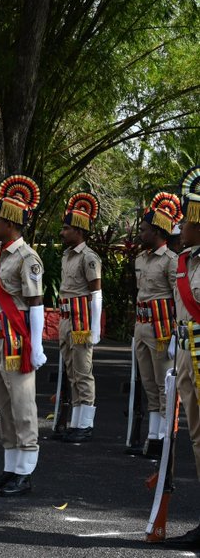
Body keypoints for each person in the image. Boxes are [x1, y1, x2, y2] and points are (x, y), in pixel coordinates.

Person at [0, 175, 46, 497]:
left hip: (17, 340)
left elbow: (35, 304)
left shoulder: (27, 258)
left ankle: (25, 471)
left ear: (11, 223)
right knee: (3, 406)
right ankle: (10, 467)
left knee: (22, 405)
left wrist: (37, 347)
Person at [164, 166, 200, 548]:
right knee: (197, 440)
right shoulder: (185, 260)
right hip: (188, 357)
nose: (180, 227)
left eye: (187, 220)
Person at [130, 193, 180, 458]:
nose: (140, 233)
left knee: (164, 385)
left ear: (158, 231)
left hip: (162, 330)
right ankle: (152, 436)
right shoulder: (140, 259)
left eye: (144, 229)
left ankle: (164, 438)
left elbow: (178, 298)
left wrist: (175, 334)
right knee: (149, 384)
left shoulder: (171, 261)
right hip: (142, 326)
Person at [58, 192, 103, 443]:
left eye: (66, 228)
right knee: (71, 371)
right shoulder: (67, 255)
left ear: (79, 230)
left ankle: (85, 424)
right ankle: (75, 423)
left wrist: (94, 329)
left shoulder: (89, 257)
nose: (62, 233)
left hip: (81, 321)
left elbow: (96, 294)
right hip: (66, 318)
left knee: (83, 372)